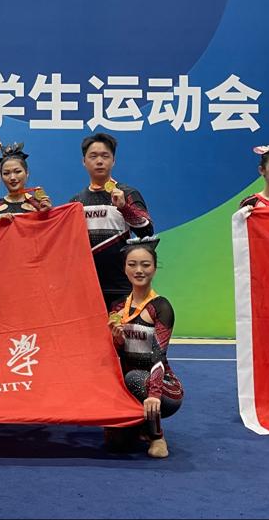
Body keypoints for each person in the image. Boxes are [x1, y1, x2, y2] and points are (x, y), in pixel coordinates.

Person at [106, 237, 183, 459]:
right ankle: (138, 425)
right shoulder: (117, 307)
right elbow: (117, 355)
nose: (139, 270)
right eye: (132, 264)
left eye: (145, 265)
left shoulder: (161, 306)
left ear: (154, 269)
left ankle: (157, 436)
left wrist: (155, 394)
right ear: (124, 269)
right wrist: (117, 339)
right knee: (116, 444)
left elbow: (159, 354)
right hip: (129, 383)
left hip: (163, 386)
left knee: (135, 378)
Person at [71, 132, 153, 307]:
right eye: (93, 156)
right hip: (87, 287)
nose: (99, 161)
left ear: (113, 160)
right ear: (84, 161)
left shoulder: (128, 194)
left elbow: (146, 231)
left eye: (105, 156)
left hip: (122, 287)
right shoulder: (76, 202)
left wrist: (124, 207)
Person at [0, 143, 53, 220]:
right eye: (6, 173)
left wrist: (46, 215)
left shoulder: (39, 205)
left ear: (27, 173)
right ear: (1, 176)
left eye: (17, 171)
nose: (12, 177)